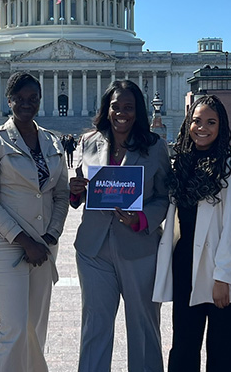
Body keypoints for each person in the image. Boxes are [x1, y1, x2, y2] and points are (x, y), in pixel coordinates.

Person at [68, 80, 171, 372]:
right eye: (116, 107)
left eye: (129, 107)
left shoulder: (155, 147)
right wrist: (76, 189)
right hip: (93, 249)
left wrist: (142, 218)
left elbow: (165, 197)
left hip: (139, 247)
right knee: (94, 327)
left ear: (138, 111)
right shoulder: (89, 141)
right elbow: (82, 190)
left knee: (143, 327)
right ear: (107, 109)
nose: (121, 113)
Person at [0, 71, 70, 372]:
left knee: (35, 327)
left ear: (40, 101)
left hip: (43, 244)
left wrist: (51, 236)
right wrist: (25, 241)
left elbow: (61, 194)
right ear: (9, 100)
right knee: (14, 326)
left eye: (33, 99)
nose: (27, 104)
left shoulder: (53, 141)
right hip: (4, 243)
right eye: (20, 99)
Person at [152, 94, 231, 371]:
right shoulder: (182, 164)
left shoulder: (229, 166)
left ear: (221, 126)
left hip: (219, 269)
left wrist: (222, 277)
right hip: (185, 265)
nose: (202, 127)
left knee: (225, 351)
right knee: (184, 345)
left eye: (211, 122)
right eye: (197, 121)